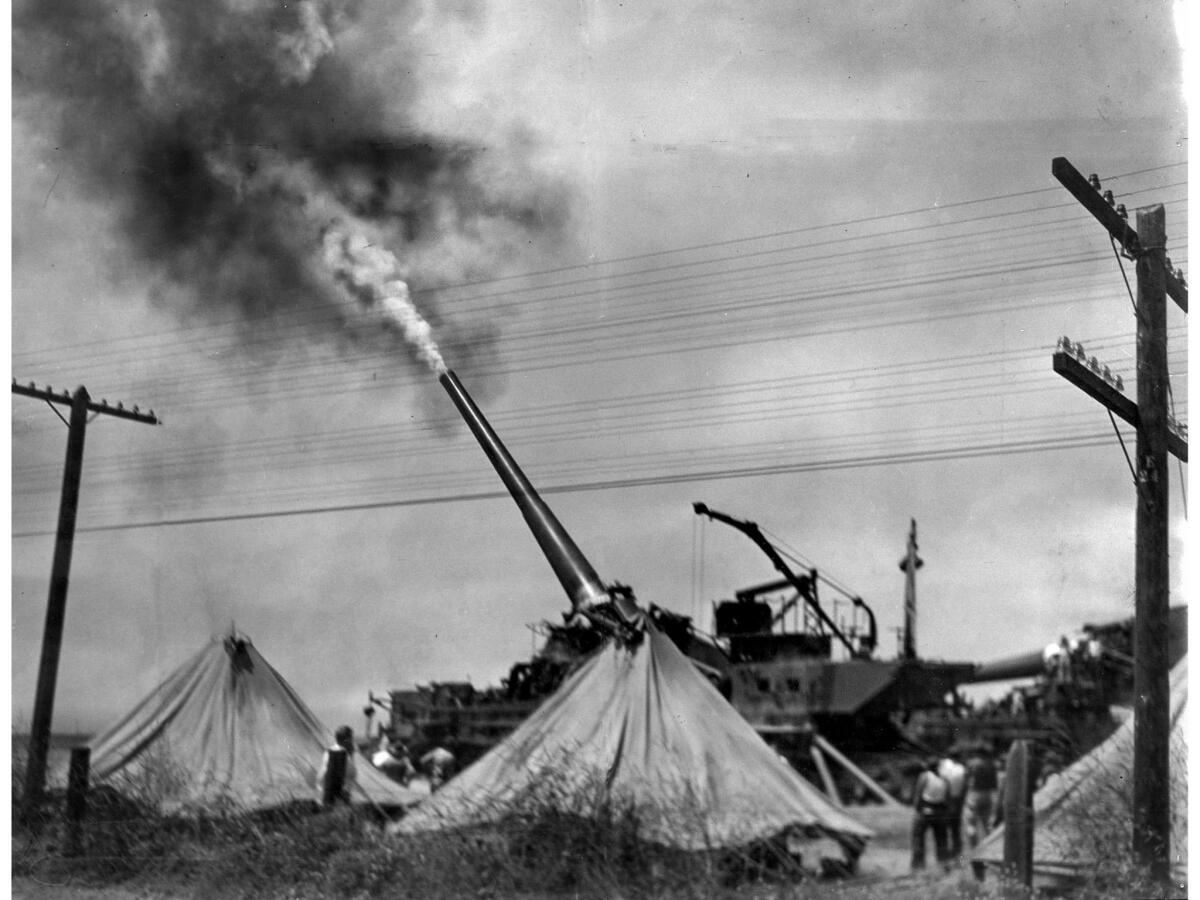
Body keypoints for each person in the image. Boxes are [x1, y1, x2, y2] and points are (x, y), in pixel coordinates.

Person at [911, 758, 949, 871]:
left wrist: (917, 809)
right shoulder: (944, 779)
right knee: (942, 840)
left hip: (925, 811)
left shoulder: (925, 776)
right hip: (940, 812)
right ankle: (942, 865)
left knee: (918, 839)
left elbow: (918, 795)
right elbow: (948, 797)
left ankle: (918, 866)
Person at [963, 747, 999, 848]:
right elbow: (994, 784)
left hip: (975, 794)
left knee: (971, 824)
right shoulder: (992, 765)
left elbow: (966, 779)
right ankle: (989, 850)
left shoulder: (972, 764)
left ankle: (973, 850)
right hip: (987, 794)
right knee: (986, 825)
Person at [938, 749, 968, 859]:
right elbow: (965, 787)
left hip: (943, 800)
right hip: (957, 801)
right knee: (956, 830)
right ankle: (957, 856)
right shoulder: (962, 768)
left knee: (943, 830)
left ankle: (944, 856)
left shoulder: (942, 765)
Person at [318, 725, 358, 803]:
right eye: (351, 739)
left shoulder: (329, 752)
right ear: (347, 740)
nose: (352, 742)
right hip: (339, 795)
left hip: (332, 794)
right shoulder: (341, 754)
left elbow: (323, 773)